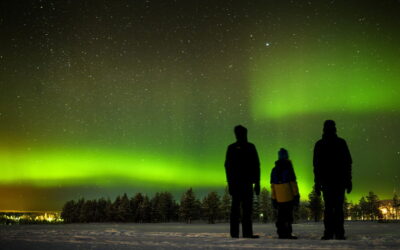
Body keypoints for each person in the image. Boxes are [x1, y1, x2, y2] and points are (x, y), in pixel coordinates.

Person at [313, 120, 352, 240]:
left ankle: (329, 232)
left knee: (329, 208)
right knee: (337, 208)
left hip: (327, 182)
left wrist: (317, 183)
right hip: (338, 181)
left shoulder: (319, 144)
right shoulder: (341, 143)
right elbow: (347, 163)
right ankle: (339, 233)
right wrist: (348, 180)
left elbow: (316, 166)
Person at [224, 125, 260, 238]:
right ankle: (242, 233)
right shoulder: (247, 147)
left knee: (244, 210)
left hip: (242, 183)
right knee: (241, 209)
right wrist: (257, 182)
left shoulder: (236, 147)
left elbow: (256, 165)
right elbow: (228, 167)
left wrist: (257, 183)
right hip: (241, 183)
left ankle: (240, 233)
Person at [270, 148, 300, 239]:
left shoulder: (274, 169)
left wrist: (273, 198)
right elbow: (293, 183)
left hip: (279, 197)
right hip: (288, 196)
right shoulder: (289, 167)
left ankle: (281, 233)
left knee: (281, 216)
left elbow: (273, 186)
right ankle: (287, 233)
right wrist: (296, 195)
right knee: (288, 216)